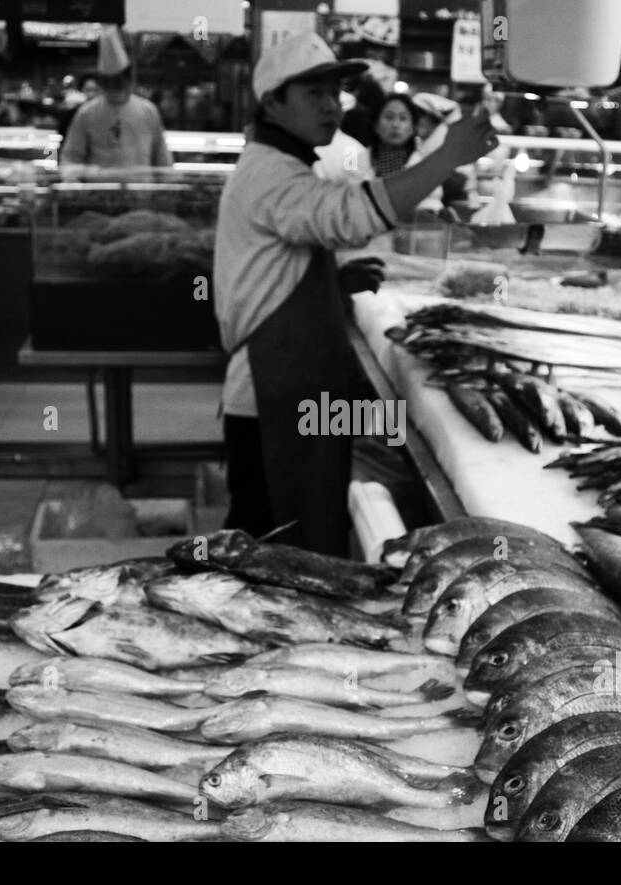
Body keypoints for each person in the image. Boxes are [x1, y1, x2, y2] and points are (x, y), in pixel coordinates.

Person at [213, 33, 497, 555]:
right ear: (272, 103)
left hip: (296, 387)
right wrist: (446, 155)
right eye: (313, 93)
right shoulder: (271, 172)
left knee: (297, 538)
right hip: (270, 399)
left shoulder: (292, 164)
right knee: (262, 548)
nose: (332, 105)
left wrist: (330, 283)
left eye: (335, 91)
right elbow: (352, 217)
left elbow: (282, 260)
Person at [59, 26, 171, 175]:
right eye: (109, 82)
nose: (113, 86)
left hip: (141, 194)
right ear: (102, 82)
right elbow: (71, 157)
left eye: (118, 81)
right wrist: (71, 181)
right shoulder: (87, 113)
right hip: (98, 194)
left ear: (128, 79)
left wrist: (168, 187)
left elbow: (162, 158)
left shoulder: (148, 110)